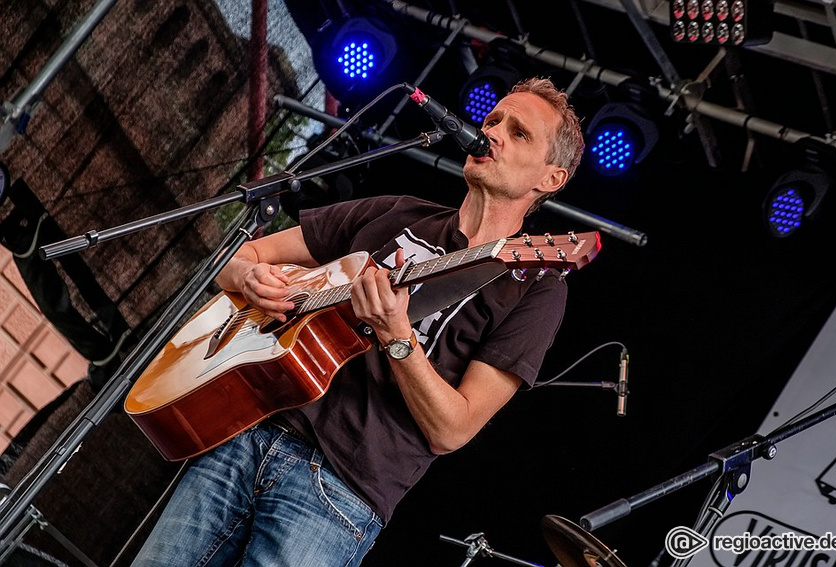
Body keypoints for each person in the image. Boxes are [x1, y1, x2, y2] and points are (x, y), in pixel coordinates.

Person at [130, 76, 585, 567]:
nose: (492, 132)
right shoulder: (397, 211)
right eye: (494, 119)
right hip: (245, 433)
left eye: (519, 133)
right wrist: (251, 277)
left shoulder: (534, 284)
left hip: (337, 496)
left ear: (550, 179)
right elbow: (235, 258)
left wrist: (396, 337)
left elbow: (453, 429)